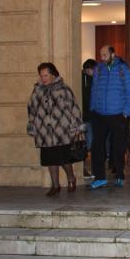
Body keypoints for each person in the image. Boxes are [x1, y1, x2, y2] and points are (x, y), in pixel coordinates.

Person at [28, 62, 85, 196]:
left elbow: (74, 109)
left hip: (62, 131)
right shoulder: (37, 90)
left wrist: (77, 127)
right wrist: (33, 124)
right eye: (41, 76)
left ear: (53, 75)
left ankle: (71, 178)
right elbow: (31, 108)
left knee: (64, 158)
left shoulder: (64, 89)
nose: (43, 78)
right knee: (49, 159)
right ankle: (55, 185)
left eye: (46, 75)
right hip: (44, 132)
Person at [90, 45, 130, 189]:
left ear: (113, 54)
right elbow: (94, 89)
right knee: (96, 146)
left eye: (105, 54)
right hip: (100, 114)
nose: (102, 57)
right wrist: (93, 108)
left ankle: (120, 176)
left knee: (118, 146)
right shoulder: (98, 69)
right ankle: (99, 177)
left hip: (118, 114)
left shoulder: (123, 69)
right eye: (101, 55)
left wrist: (126, 112)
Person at [81, 59, 96, 177]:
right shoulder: (84, 80)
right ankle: (86, 168)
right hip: (87, 116)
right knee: (88, 143)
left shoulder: (95, 79)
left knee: (90, 142)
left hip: (91, 115)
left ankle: (90, 168)